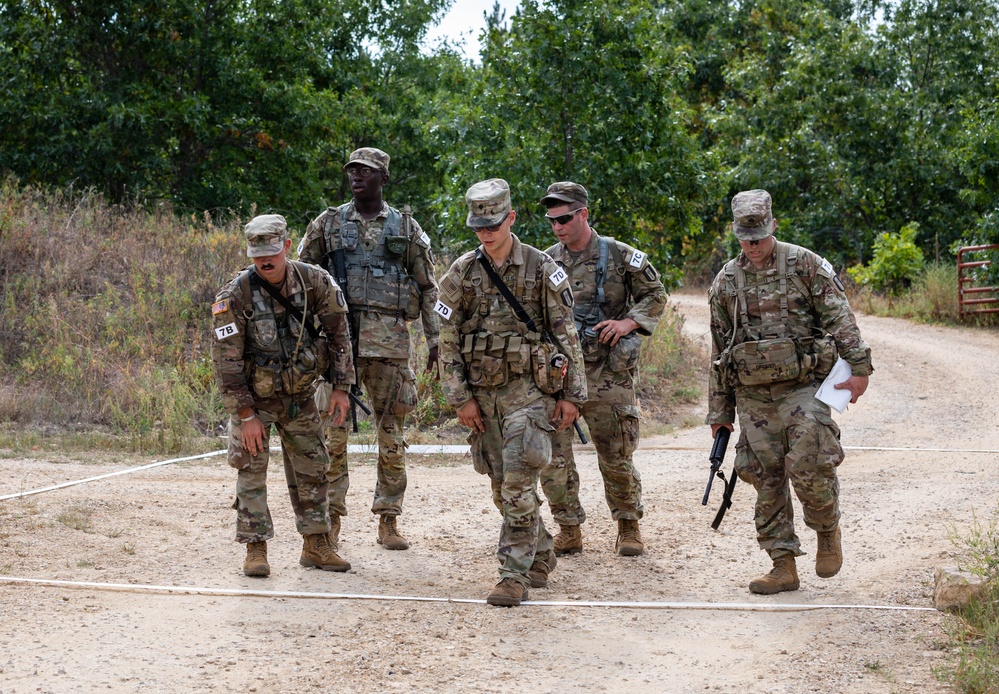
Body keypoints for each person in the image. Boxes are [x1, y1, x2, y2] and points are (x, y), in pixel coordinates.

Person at [706, 189, 872, 594]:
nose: (755, 245)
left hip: (804, 386)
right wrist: (719, 410)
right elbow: (719, 346)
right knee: (765, 476)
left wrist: (860, 368)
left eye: (760, 236)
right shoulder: (726, 281)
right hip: (753, 394)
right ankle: (782, 564)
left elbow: (839, 316)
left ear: (773, 226)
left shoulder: (804, 264)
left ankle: (826, 530)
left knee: (810, 462)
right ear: (736, 234)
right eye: (747, 238)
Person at [437, 178, 587, 606]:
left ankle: (512, 575)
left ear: (511, 218)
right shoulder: (462, 273)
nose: (486, 233)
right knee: (502, 485)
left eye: (494, 224)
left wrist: (572, 396)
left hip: (529, 394)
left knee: (519, 483)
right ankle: (540, 553)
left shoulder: (542, 269)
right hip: (483, 398)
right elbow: (446, 339)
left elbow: (566, 336)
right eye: (478, 226)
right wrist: (459, 398)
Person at [298, 147, 440, 552]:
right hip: (338, 347)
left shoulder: (406, 228)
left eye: (366, 171)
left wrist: (434, 341)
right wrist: (306, 336)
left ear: (383, 178)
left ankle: (389, 519)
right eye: (352, 171)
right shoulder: (327, 224)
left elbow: (429, 289)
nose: (357, 177)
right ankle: (332, 520)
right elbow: (300, 280)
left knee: (391, 435)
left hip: (390, 347)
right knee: (333, 436)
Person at [211, 214, 355, 577]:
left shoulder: (314, 281)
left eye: (272, 252)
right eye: (258, 255)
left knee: (314, 468)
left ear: (287, 247)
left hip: (300, 394)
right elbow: (226, 361)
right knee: (251, 469)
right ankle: (255, 547)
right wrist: (245, 416)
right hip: (255, 400)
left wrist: (341, 388)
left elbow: (340, 335)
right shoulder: (235, 295)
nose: (266, 261)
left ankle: (316, 544)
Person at [538, 181, 668, 558]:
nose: (558, 227)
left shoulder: (619, 255)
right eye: (552, 221)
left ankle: (628, 526)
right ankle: (568, 528)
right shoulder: (545, 261)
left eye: (564, 218)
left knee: (616, 452)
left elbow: (655, 295)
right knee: (555, 455)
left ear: (583, 214)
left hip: (608, 372)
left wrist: (628, 323)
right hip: (560, 377)